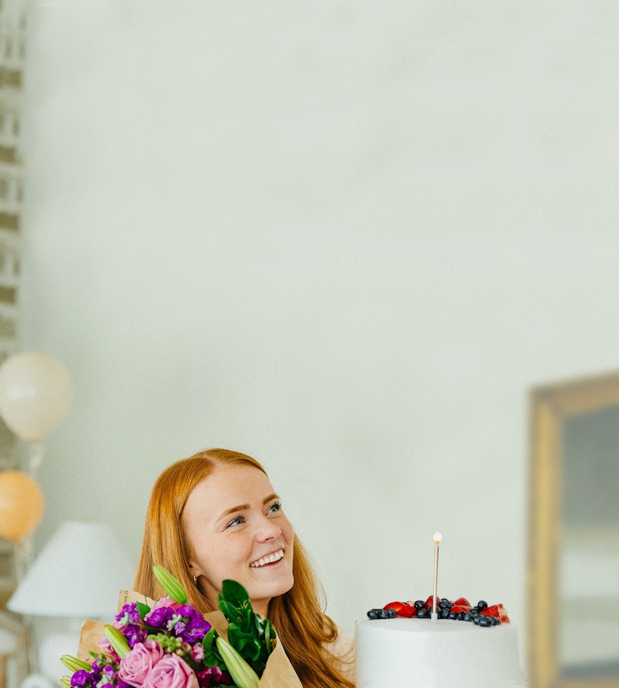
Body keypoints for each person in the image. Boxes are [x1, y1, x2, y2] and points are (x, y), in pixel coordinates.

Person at [134, 447, 355, 688]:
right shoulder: (173, 675)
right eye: (236, 521)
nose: (272, 530)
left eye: (273, 507)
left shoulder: (331, 648)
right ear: (187, 559)